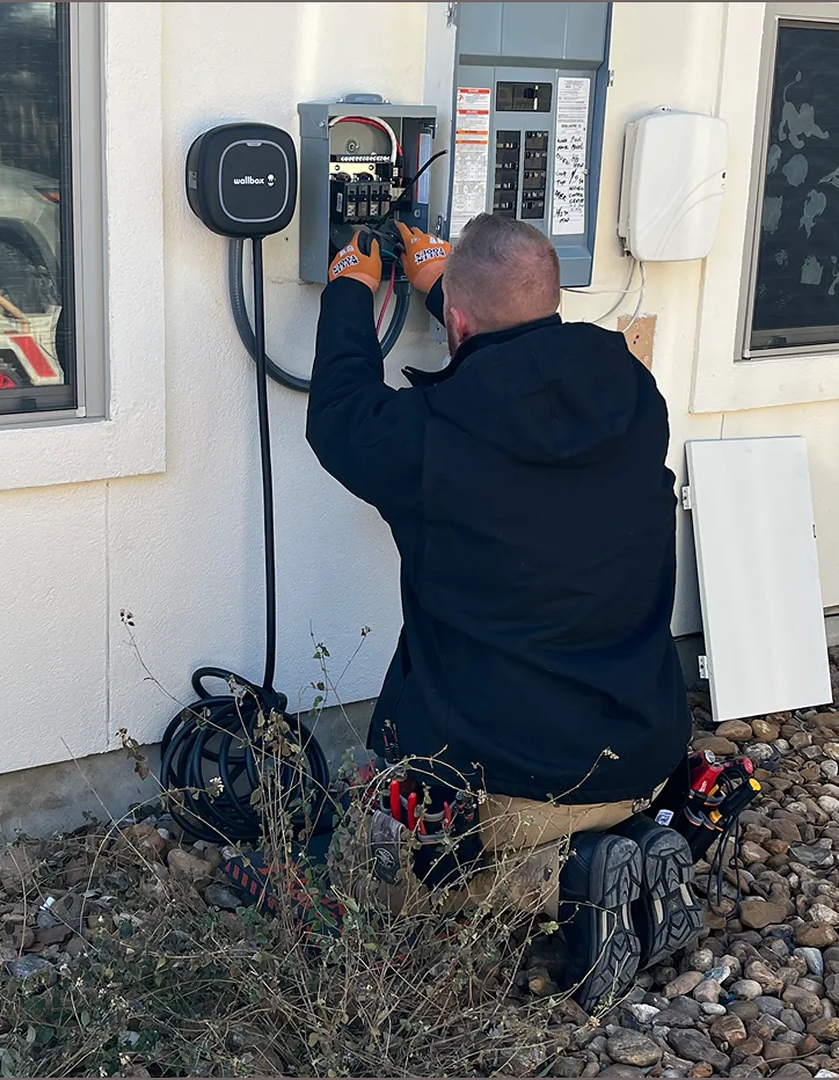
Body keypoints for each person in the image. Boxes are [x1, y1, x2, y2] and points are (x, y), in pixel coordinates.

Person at [305, 214, 699, 1010]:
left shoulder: (427, 440)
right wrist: (447, 291)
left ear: (453, 320)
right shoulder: (632, 393)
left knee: (365, 875)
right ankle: (651, 838)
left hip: (506, 790)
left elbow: (339, 415)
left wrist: (350, 291)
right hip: (641, 750)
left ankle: (566, 878)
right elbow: (524, 373)